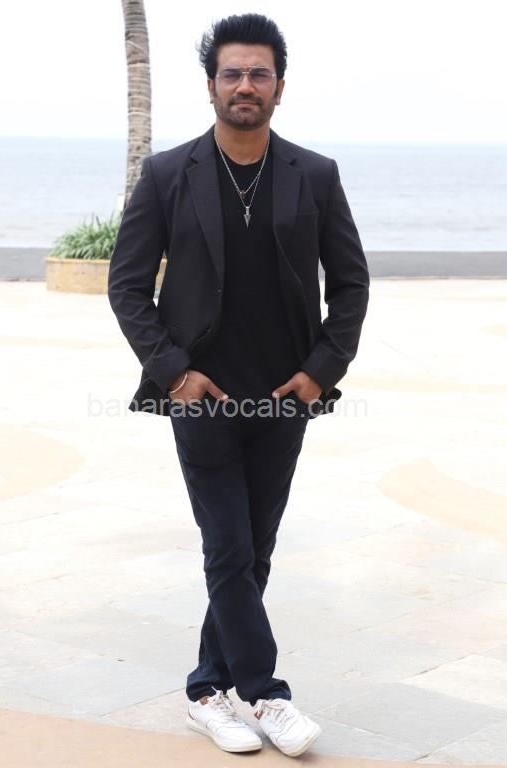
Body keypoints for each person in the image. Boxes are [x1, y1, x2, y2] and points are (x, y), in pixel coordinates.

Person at [107, 12, 369, 758]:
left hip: (283, 398)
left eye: (259, 73)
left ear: (279, 87)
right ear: (211, 86)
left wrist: (319, 373)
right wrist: (174, 371)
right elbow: (127, 286)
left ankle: (205, 690)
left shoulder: (314, 175)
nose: (245, 85)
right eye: (232, 73)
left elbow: (351, 285)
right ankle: (264, 693)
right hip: (202, 397)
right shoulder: (169, 175)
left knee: (252, 552)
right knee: (226, 547)